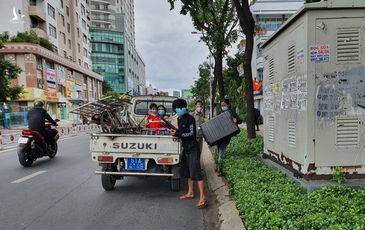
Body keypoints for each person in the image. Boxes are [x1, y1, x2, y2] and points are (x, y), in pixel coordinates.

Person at [170, 99, 207, 209]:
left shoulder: (190, 119)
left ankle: (203, 197)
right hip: (185, 148)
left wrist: (178, 134)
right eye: (176, 108)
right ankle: (190, 192)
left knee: (196, 172)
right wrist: (177, 133)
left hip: (193, 148)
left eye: (179, 108)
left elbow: (191, 134)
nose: (177, 110)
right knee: (187, 172)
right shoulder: (179, 118)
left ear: (184, 108)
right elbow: (181, 133)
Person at [216, 99, 241, 173]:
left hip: (227, 135)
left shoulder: (232, 112)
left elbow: (240, 121)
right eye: (221, 105)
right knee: (219, 150)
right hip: (219, 135)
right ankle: (220, 165)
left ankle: (219, 168)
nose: (223, 107)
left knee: (221, 150)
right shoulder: (220, 112)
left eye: (224, 105)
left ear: (228, 105)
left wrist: (236, 121)